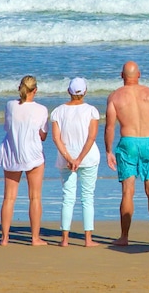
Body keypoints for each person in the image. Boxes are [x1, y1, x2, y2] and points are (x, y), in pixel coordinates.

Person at [104, 61, 149, 246]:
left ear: (121, 75)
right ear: (139, 74)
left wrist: (108, 150)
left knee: (128, 191)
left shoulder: (115, 97)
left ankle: (124, 237)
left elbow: (110, 127)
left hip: (128, 143)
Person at [0, 75, 49, 246]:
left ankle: (4, 238)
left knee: (9, 198)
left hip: (12, 152)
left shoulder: (10, 105)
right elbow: (43, 136)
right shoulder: (41, 109)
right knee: (35, 197)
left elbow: (7, 127)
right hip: (32, 154)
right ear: (35, 90)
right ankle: (35, 238)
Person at [50, 77, 101, 247]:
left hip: (66, 159)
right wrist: (79, 159)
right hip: (88, 158)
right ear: (85, 91)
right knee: (87, 197)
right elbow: (91, 137)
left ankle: (64, 239)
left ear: (68, 91)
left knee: (68, 197)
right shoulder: (91, 111)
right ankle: (88, 239)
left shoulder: (58, 111)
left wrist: (70, 158)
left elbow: (56, 139)